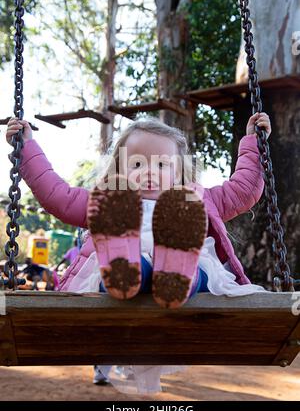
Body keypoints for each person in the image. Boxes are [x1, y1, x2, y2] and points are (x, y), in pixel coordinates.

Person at [6, 112, 271, 394]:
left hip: (186, 261)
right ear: (118, 170)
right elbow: (56, 194)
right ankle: (125, 268)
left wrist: (254, 143)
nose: (149, 172)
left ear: (180, 171)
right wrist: (27, 149)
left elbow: (243, 190)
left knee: (200, 271)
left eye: (161, 164)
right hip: (123, 266)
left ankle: (176, 272)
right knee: (129, 269)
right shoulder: (104, 201)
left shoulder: (197, 198)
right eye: (136, 164)